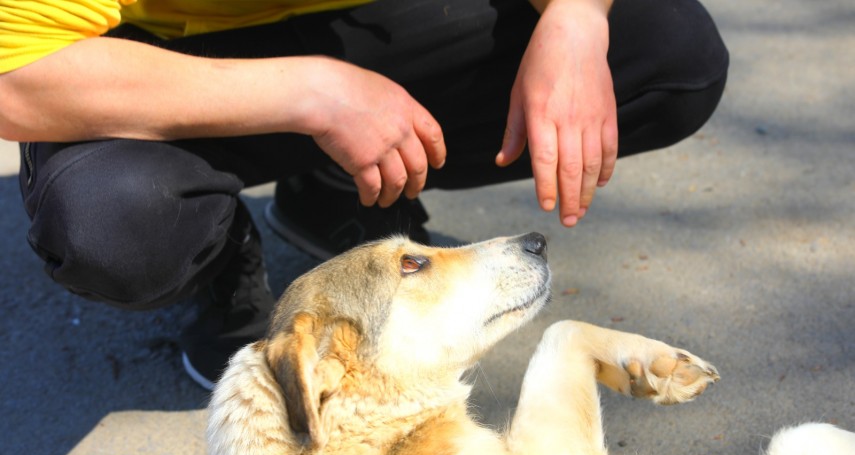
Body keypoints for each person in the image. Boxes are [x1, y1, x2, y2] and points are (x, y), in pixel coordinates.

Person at [0, 0, 728, 389]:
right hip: (160, 52)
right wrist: (310, 92)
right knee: (113, 224)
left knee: (668, 52)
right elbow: (13, 77)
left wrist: (575, 19)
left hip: (388, 19)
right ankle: (217, 251)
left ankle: (341, 194)